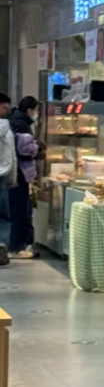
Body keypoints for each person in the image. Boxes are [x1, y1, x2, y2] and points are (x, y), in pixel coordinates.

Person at [8, 97, 41, 259]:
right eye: (36, 110)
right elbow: (23, 150)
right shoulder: (22, 124)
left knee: (19, 209)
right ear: (29, 110)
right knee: (20, 210)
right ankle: (17, 247)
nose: (36, 114)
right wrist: (38, 148)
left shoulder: (15, 121)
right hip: (20, 173)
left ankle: (18, 245)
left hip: (16, 172)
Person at [0, 93, 14, 266]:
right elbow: (11, 157)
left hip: (3, 176)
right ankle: (1, 244)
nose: (6, 112)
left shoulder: (7, 129)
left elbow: (11, 156)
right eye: (4, 108)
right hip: (1, 175)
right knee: (3, 215)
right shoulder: (5, 128)